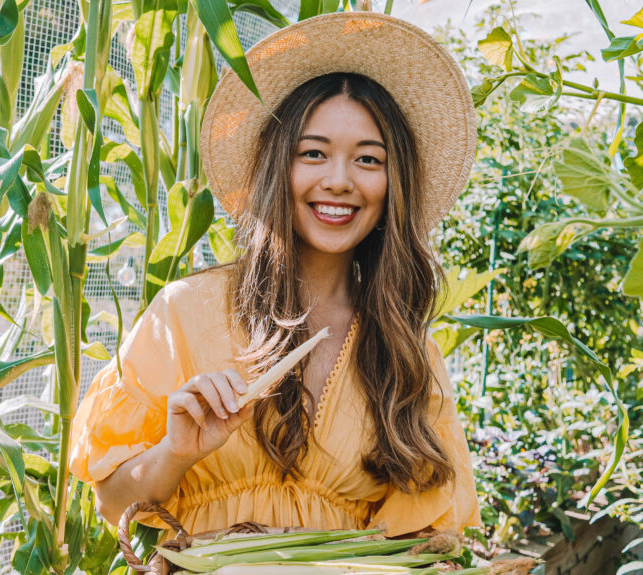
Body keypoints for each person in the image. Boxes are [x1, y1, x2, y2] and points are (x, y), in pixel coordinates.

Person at [69, 12, 482, 539]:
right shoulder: (184, 314)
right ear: (276, 166)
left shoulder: (407, 351)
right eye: (313, 153)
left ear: (392, 182)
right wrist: (177, 450)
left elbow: (430, 537)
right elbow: (112, 501)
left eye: (369, 160)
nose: (338, 181)